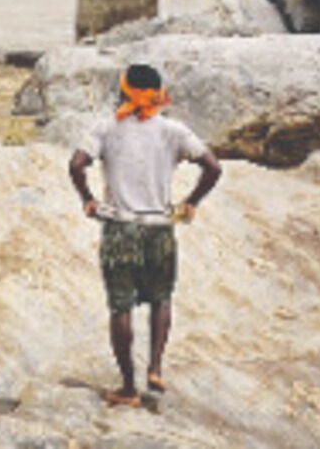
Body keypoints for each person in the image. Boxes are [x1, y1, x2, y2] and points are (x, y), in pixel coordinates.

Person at [68, 63, 222, 407]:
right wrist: (190, 202)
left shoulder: (106, 128)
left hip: (121, 227)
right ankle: (155, 367)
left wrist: (88, 200)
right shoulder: (173, 130)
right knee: (161, 297)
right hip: (160, 228)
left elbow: (77, 165)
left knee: (121, 306)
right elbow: (213, 167)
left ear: (123, 91)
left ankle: (127, 388)